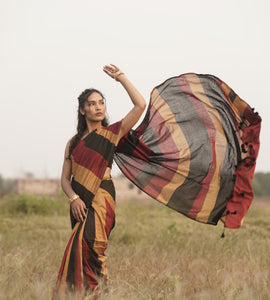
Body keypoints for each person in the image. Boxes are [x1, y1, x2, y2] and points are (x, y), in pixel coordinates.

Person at [52, 64, 146, 299]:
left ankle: (100, 294)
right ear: (82, 110)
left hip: (102, 198)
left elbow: (140, 105)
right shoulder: (73, 143)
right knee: (79, 251)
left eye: (101, 102)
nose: (97, 107)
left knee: (94, 247)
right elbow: (65, 179)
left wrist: (121, 78)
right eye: (92, 104)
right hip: (79, 203)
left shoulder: (111, 133)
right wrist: (73, 198)